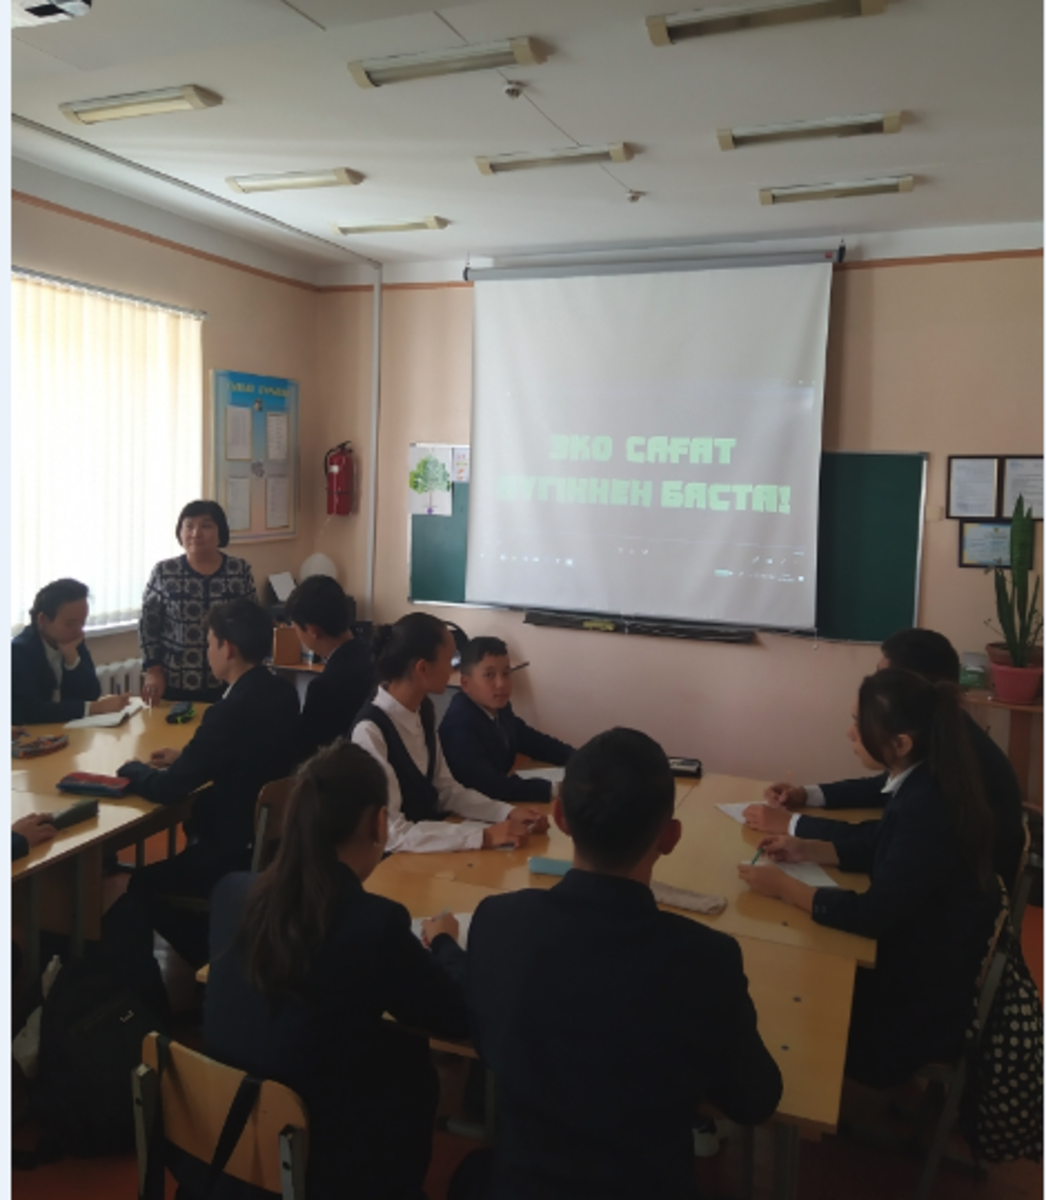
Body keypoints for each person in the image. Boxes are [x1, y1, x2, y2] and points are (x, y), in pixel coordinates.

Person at [465, 727, 783, 1200]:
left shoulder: (497, 922)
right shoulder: (707, 959)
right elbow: (755, 1099)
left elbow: (485, 1034)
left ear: (561, 817)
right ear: (670, 837)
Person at [205, 742, 468, 1200]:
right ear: (380, 823)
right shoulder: (374, 924)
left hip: (224, 1147)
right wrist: (444, 943)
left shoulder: (232, 893)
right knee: (410, 1059)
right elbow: (453, 1015)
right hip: (320, 1161)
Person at [738, 669, 1000, 1088]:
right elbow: (881, 844)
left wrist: (786, 887)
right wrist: (807, 849)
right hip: (919, 960)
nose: (850, 734)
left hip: (914, 1004)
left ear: (901, 744)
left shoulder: (927, 807)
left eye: (859, 726)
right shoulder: (925, 779)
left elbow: (871, 915)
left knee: (783, 994)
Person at [743, 627, 1025, 888]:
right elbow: (884, 787)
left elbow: (881, 839)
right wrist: (808, 795)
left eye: (882, 678)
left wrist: (792, 825)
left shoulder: (952, 760)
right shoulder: (943, 729)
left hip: (963, 894)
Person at [119, 598, 299, 966]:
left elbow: (169, 789)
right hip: (269, 844)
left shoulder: (227, 712)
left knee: (140, 885)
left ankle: (212, 961)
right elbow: (243, 753)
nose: (207, 652)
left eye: (209, 642)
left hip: (230, 850)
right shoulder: (282, 692)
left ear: (227, 648)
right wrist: (188, 758)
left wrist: (134, 770)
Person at [351, 613, 547, 853]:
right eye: (449, 659)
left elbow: (446, 791)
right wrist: (482, 836)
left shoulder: (423, 711)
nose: (454, 668)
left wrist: (507, 812)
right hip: (392, 862)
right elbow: (392, 834)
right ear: (422, 668)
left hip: (426, 852)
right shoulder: (370, 731)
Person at [139, 500, 256, 704]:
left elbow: (251, 622)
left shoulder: (239, 570)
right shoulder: (165, 572)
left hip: (229, 679)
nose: (196, 533)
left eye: (206, 526)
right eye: (189, 526)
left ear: (220, 531)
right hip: (176, 679)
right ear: (180, 532)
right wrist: (153, 670)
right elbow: (148, 625)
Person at [439, 635, 575, 804]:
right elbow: (490, 786)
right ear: (466, 683)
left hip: (500, 801)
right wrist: (555, 789)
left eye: (506, 673)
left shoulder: (499, 707)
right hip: (469, 810)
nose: (501, 683)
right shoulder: (459, 725)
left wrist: (578, 759)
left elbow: (533, 741)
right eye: (489, 675)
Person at [11, 578, 130, 724]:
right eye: (70, 624)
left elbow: (92, 693)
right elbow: (32, 710)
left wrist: (72, 660)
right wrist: (94, 708)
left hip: (67, 729)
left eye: (82, 622)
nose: (78, 630)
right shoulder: (18, 651)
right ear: (42, 620)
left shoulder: (73, 641)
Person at [284, 574, 374, 763]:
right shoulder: (375, 656)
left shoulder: (325, 687)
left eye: (295, 629)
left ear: (312, 631)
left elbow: (306, 752)